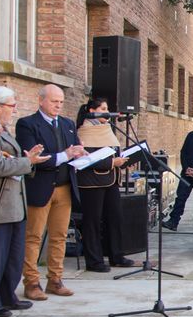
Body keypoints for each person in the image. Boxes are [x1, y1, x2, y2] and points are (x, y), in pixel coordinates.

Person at [0, 87, 49, 317]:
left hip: (12, 203)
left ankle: (7, 295)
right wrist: (27, 161)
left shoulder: (0, 127)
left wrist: (27, 160)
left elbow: (10, 160)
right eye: (12, 106)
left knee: (12, 257)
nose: (14, 110)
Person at [17, 84, 85, 299]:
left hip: (64, 188)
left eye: (61, 102)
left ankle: (55, 280)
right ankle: (31, 282)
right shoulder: (27, 124)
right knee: (33, 236)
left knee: (59, 236)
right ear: (41, 100)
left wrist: (80, 154)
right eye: (54, 101)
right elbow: (36, 159)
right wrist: (66, 155)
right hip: (40, 187)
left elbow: (75, 149)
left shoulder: (67, 124)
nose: (58, 106)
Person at [74, 98, 134, 272]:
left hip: (111, 181)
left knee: (115, 218)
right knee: (92, 221)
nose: (107, 112)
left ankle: (117, 256)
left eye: (108, 108)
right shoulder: (83, 131)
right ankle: (94, 261)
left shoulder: (107, 128)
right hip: (91, 183)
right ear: (92, 111)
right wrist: (112, 163)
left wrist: (122, 161)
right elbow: (85, 159)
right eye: (103, 109)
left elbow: (112, 153)